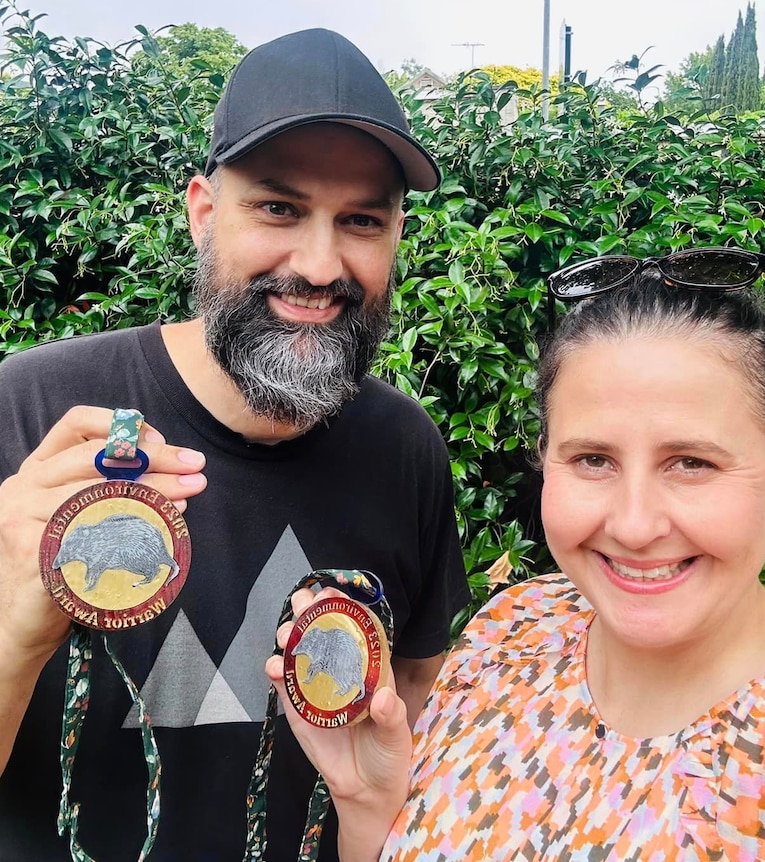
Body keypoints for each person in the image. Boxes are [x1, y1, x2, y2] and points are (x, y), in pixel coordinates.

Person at [0, 28, 469, 861]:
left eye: (361, 219)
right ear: (203, 212)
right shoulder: (30, 410)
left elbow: (415, 696)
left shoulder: (406, 449)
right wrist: (13, 635)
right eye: (279, 207)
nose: (321, 265)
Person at [269, 249, 765, 861]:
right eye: (593, 460)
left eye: (692, 464)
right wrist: (367, 803)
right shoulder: (511, 632)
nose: (634, 526)